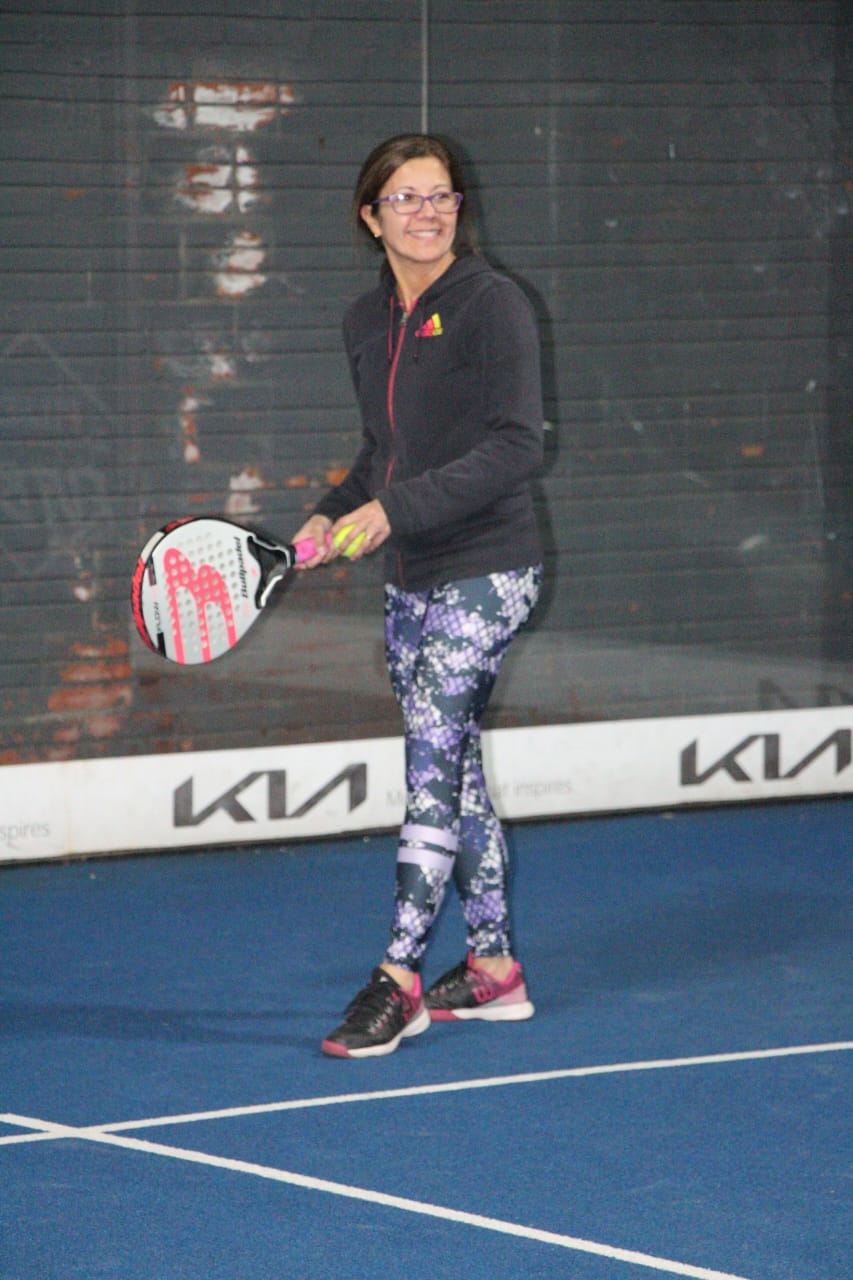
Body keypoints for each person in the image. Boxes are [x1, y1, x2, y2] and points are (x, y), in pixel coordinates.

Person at [291, 133, 545, 1059]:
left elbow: (516, 446)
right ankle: (492, 970)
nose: (427, 212)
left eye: (440, 195)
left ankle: (398, 978)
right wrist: (329, 516)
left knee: (429, 761)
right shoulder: (365, 320)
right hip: (410, 575)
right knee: (454, 765)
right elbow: (381, 454)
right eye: (405, 198)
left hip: (491, 565)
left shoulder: (492, 303)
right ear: (371, 217)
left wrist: (391, 510)